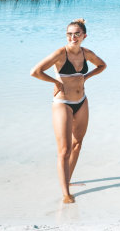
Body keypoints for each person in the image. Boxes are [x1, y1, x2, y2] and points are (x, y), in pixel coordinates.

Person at [30, 18, 107, 203]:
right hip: (62, 102)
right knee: (64, 150)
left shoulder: (86, 53)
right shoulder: (60, 53)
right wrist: (56, 82)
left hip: (81, 101)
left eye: (77, 34)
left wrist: (86, 77)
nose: (73, 37)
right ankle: (66, 194)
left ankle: (68, 181)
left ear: (84, 36)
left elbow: (102, 65)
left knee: (77, 144)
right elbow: (35, 71)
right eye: (69, 34)